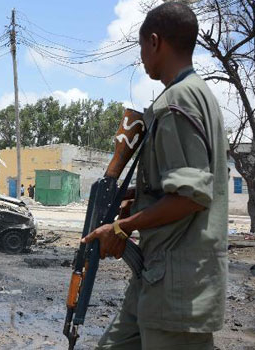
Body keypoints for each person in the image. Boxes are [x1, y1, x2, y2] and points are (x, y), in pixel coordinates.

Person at [82, 3, 228, 349]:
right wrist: (139, 195)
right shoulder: (195, 95)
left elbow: (191, 196)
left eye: (141, 47)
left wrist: (122, 227)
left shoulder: (176, 102)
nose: (142, 58)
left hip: (177, 286)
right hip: (157, 276)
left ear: (155, 42)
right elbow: (178, 184)